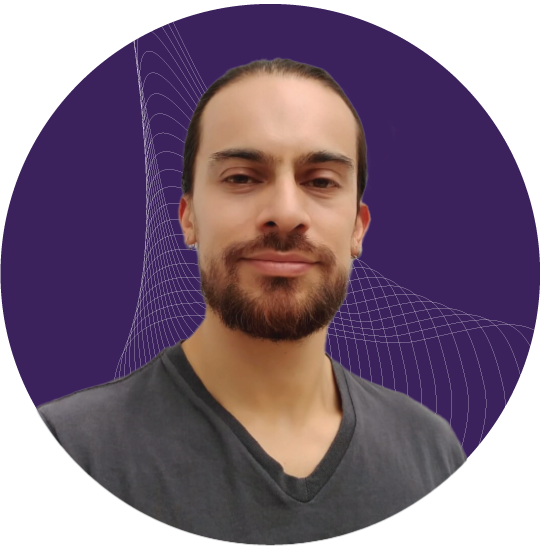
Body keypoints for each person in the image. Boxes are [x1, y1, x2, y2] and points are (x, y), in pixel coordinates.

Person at [35, 58, 467, 543]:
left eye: (321, 181)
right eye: (242, 177)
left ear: (357, 228)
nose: (285, 212)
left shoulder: (433, 453)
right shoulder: (73, 447)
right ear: (188, 217)